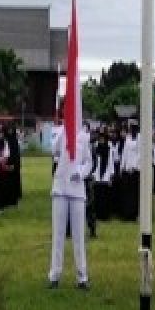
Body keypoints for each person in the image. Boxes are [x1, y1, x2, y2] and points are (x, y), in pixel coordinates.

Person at [48, 116, 93, 289]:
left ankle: (82, 276)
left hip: (77, 189)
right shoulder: (60, 132)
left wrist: (81, 173)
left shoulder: (84, 136)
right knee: (58, 234)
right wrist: (64, 131)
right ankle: (54, 275)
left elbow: (89, 161)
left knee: (78, 235)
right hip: (60, 187)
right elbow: (54, 151)